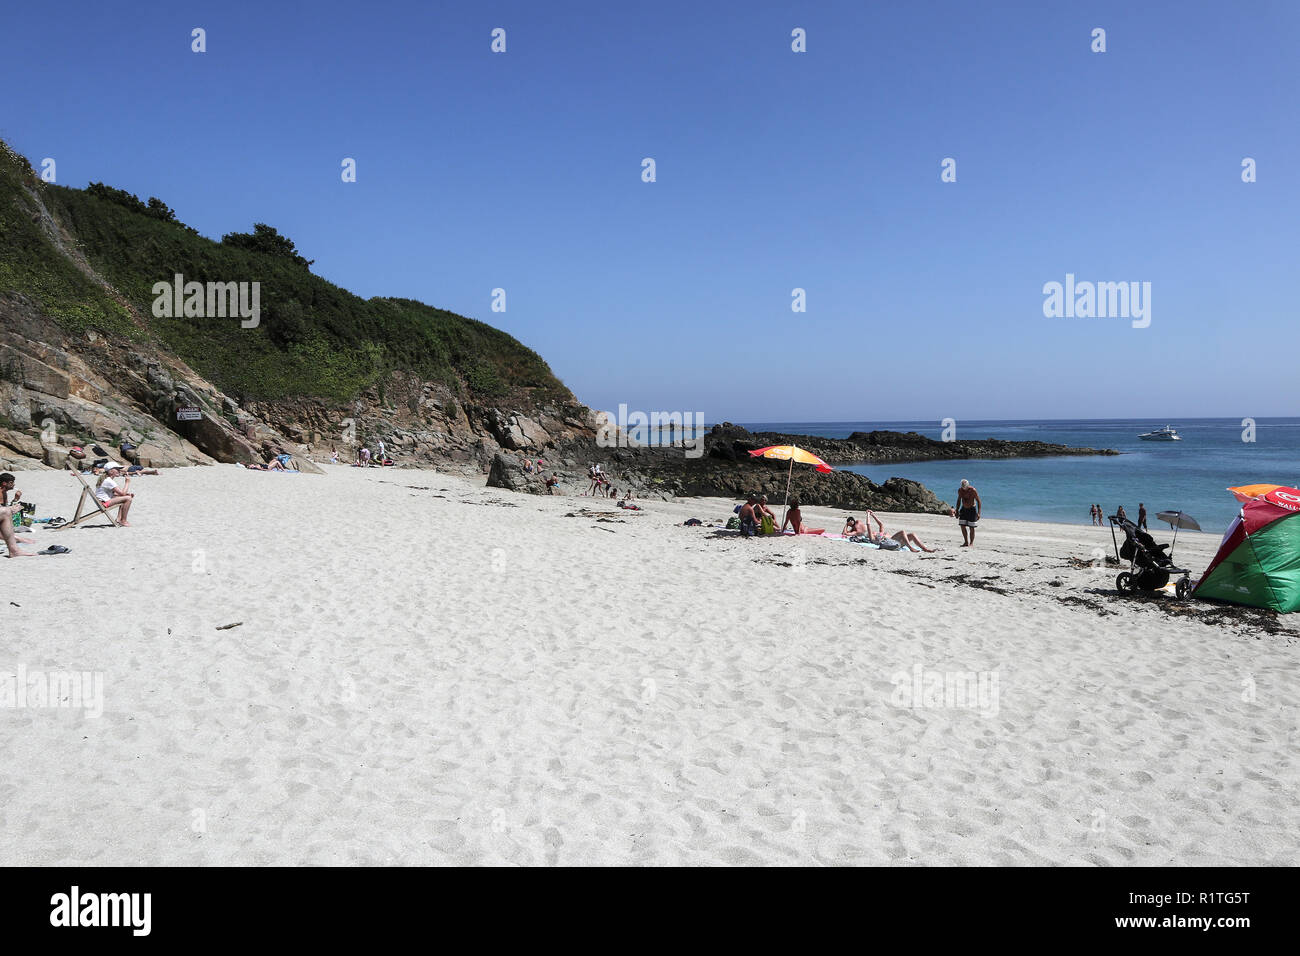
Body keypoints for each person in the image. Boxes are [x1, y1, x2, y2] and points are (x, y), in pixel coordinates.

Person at [1, 473, 34, 557]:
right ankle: (17, 541)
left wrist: (16, 499)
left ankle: (16, 539)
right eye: (11, 482)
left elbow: (4, 508)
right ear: (4, 483)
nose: (13, 484)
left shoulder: (4, 493)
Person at [956, 479, 981, 547]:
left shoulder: (973, 490)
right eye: (962, 486)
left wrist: (979, 513)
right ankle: (966, 542)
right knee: (962, 525)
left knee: (971, 527)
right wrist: (957, 510)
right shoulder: (960, 490)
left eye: (965, 487)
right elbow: (959, 500)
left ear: (968, 485)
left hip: (972, 510)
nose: (964, 488)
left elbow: (978, 501)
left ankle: (971, 543)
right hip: (964, 509)